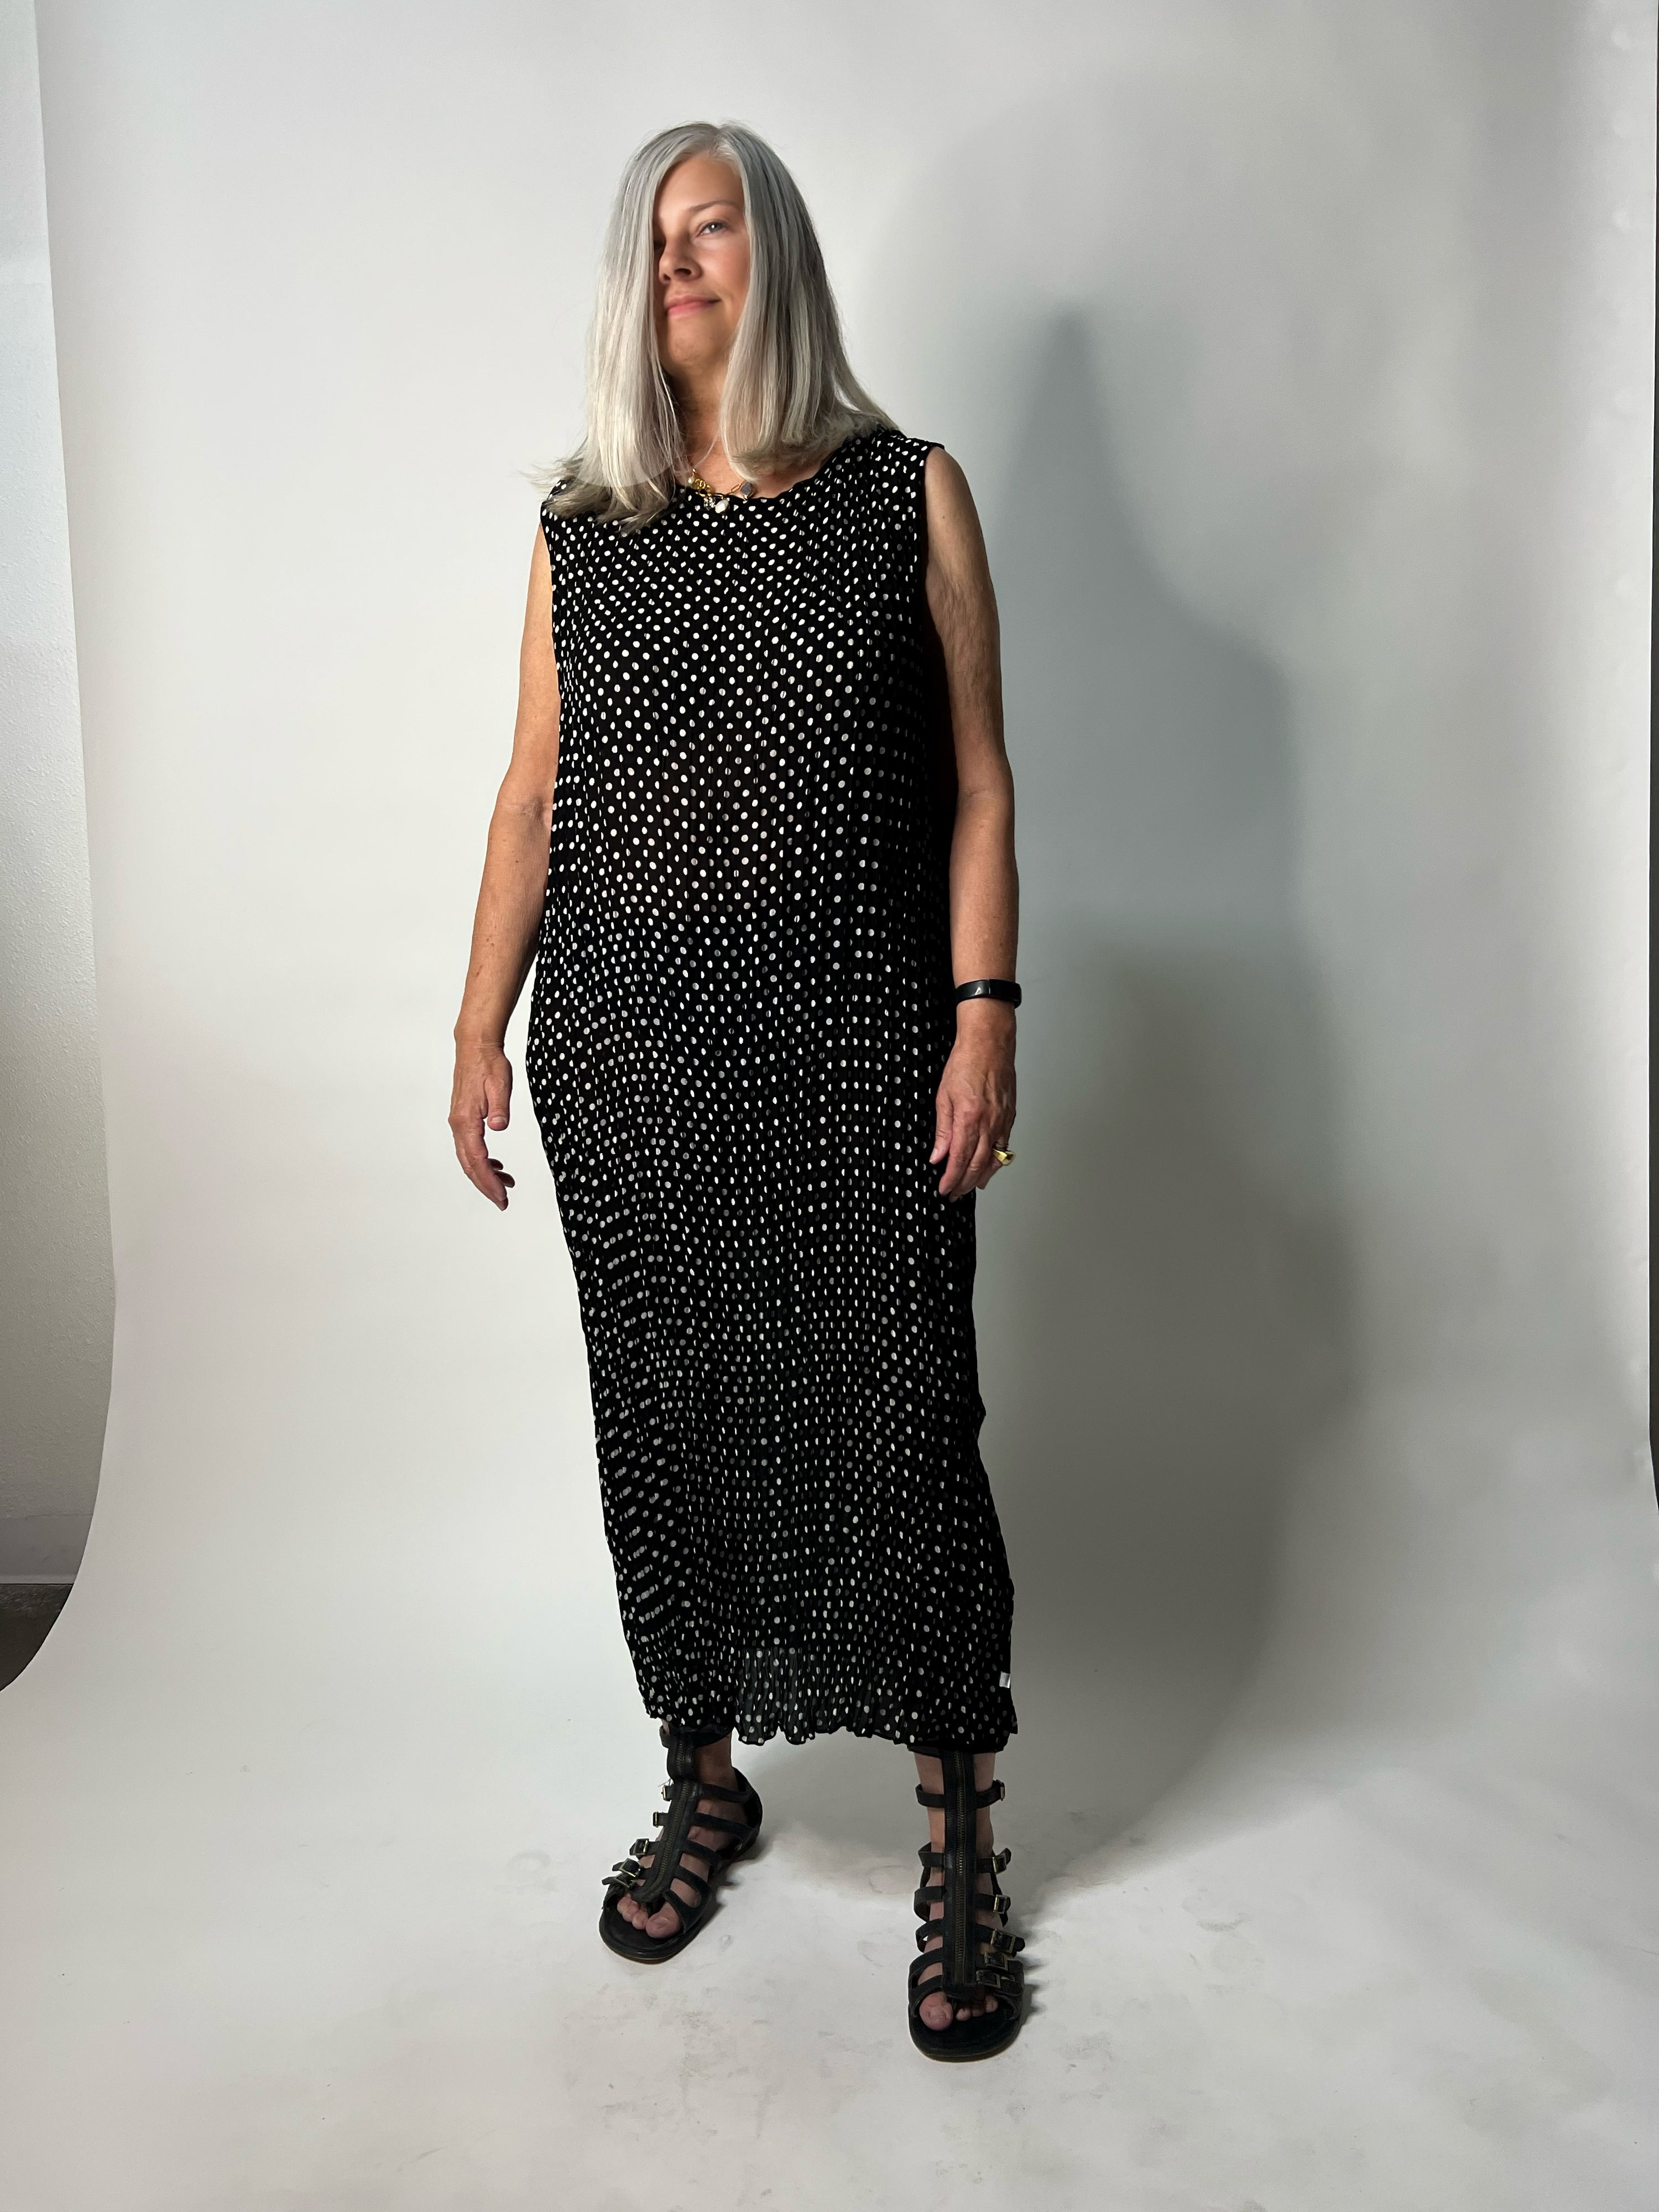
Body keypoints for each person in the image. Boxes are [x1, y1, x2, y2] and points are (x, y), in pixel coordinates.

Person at [449, 121, 1025, 2059]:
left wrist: (988, 1014)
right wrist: (475, 1032)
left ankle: (960, 1831)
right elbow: (533, 799)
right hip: (630, 1065)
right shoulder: (580, 530)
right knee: (667, 1429)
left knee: (902, 1422)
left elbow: (981, 785)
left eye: (715, 231)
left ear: (777, 261)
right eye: (654, 241)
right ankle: (708, 1773)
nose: (679, 262)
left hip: (861, 1055)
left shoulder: (901, 494)